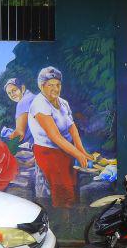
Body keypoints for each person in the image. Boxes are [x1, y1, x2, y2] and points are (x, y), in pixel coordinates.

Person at [27, 66, 92, 208]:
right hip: (48, 152)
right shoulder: (39, 104)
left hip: (66, 150)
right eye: (50, 85)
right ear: (41, 86)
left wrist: (81, 150)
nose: (55, 89)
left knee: (73, 186)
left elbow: (72, 128)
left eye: (58, 85)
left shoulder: (63, 103)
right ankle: (62, 217)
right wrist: (77, 154)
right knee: (63, 192)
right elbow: (55, 136)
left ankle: (72, 216)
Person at [0, 77, 36, 151]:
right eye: (9, 93)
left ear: (22, 88)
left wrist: (5, 139)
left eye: (14, 90)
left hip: (34, 146)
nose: (12, 95)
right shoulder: (34, 97)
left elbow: (19, 134)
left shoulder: (23, 102)